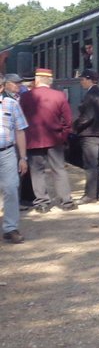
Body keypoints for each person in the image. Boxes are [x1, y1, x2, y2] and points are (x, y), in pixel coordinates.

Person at [20, 68, 76, 213]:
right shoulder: (59, 96)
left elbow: (21, 120)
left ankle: (42, 203)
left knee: (37, 172)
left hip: (33, 139)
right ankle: (66, 201)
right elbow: (68, 120)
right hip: (55, 139)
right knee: (59, 170)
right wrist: (62, 135)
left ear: (37, 80)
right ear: (50, 81)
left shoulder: (26, 97)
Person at [73, 70, 99, 203]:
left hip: (90, 134)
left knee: (90, 166)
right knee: (98, 164)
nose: (81, 82)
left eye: (82, 79)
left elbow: (88, 116)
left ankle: (90, 195)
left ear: (89, 80)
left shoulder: (90, 96)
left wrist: (75, 126)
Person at [0, 84, 30, 242]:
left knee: (11, 188)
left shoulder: (11, 104)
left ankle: (10, 228)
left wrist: (23, 158)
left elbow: (20, 131)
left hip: (7, 152)